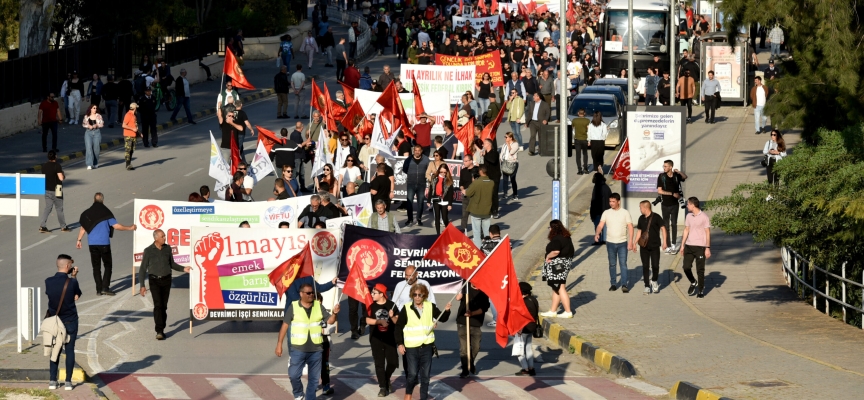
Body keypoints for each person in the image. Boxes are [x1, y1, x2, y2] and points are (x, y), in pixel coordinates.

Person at [275, 283, 340, 400]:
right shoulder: (293, 306)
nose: (311, 295)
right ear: (301, 294)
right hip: (298, 349)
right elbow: (285, 326)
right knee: (294, 375)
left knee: (314, 381)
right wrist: (279, 344)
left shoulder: (318, 306)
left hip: (316, 350)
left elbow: (330, 321)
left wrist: (335, 313)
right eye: (308, 293)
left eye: (312, 293)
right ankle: (299, 394)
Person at [395, 283, 451, 400]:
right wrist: (400, 344)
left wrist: (446, 311)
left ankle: (423, 398)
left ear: (424, 295)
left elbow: (443, 318)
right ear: (412, 295)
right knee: (412, 375)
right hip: (411, 348)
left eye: (420, 295)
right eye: (414, 294)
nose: (417, 297)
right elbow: (398, 327)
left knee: (425, 377)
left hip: (427, 347)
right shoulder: (406, 308)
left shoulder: (430, 306)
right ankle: (408, 394)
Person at [76, 193, 137, 295]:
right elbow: (116, 226)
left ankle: (99, 290)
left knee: (96, 267)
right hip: (104, 244)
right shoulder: (106, 212)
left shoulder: (87, 213)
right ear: (103, 201)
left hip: (92, 244)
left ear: (93, 200)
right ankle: (105, 287)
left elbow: (83, 228)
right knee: (108, 265)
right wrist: (130, 228)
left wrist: (79, 240)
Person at [138, 229, 193, 340]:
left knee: (163, 306)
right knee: (158, 305)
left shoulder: (168, 249)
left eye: (164, 236)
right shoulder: (148, 251)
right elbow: (143, 269)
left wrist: (184, 269)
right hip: (154, 281)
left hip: (166, 280)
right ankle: (159, 330)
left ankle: (161, 326)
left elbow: (172, 264)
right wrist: (142, 285)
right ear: (156, 238)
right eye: (162, 236)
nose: (165, 238)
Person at [44, 254, 81, 391]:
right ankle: (68, 382)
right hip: (70, 320)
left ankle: (53, 381)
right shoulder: (72, 282)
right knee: (70, 350)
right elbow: (76, 295)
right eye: (70, 265)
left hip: (54, 321)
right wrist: (74, 276)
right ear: (67, 266)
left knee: (55, 349)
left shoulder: (48, 281)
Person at [595, 193, 633, 292]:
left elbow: (630, 227)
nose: (611, 203)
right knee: (612, 264)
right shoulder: (606, 213)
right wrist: (597, 233)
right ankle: (613, 283)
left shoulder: (625, 213)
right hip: (610, 243)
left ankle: (624, 284)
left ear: (618, 202)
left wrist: (631, 241)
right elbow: (600, 225)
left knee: (623, 264)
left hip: (622, 243)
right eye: (610, 201)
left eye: (613, 202)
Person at [366, 283, 399, 396]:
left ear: (381, 294)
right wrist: (379, 321)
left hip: (390, 338)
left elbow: (397, 322)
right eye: (372, 292)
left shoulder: (392, 305)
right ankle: (383, 387)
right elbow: (367, 320)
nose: (372, 294)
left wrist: (392, 316)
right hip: (376, 338)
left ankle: (386, 377)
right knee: (379, 363)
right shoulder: (371, 305)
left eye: (374, 293)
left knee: (393, 362)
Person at [539, 219, 575, 318]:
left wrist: (548, 256)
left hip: (558, 266)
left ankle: (568, 312)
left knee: (560, 287)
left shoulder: (557, 239)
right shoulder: (566, 237)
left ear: (553, 229)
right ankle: (553, 310)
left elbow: (556, 251)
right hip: (565, 264)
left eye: (550, 228)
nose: (549, 230)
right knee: (556, 287)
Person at [455, 283, 489, 378]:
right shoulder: (465, 286)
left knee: (476, 347)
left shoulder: (483, 291)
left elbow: (484, 308)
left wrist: (472, 313)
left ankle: (471, 362)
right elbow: (457, 298)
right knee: (464, 349)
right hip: (463, 322)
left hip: (476, 323)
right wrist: (460, 293)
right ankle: (465, 369)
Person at [632, 201, 667, 295]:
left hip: (655, 246)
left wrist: (665, 242)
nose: (640, 209)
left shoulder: (656, 217)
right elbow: (639, 231)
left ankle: (654, 280)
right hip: (644, 247)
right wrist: (634, 243)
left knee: (655, 265)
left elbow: (663, 229)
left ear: (645, 208)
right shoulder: (641, 218)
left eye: (640, 208)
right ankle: (647, 286)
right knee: (645, 266)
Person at [680, 197, 711, 298]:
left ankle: (701, 290)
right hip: (689, 246)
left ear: (693, 205)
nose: (687, 206)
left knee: (700, 270)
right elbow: (686, 230)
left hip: (700, 247)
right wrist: (682, 245)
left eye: (688, 204)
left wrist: (707, 248)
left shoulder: (704, 217)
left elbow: (707, 232)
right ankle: (693, 281)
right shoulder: (688, 216)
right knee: (686, 267)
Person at [657, 160, 688, 254]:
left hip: (675, 204)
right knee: (666, 226)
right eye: (663, 166)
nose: (664, 168)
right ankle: (668, 245)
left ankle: (674, 244)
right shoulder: (661, 176)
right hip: (665, 204)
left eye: (665, 166)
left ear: (670, 167)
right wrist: (672, 194)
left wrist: (678, 172)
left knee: (674, 224)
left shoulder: (676, 176)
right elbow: (660, 191)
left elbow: (685, 177)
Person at [463, 165, 495, 247]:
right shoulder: (491, 182)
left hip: (476, 211)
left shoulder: (477, 182)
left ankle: (479, 250)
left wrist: (472, 183)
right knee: (487, 232)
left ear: (480, 172)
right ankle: (488, 248)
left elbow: (468, 193)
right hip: (487, 210)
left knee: (476, 233)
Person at [39, 151, 69, 233]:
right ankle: (63, 226)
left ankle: (42, 226)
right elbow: (61, 178)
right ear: (55, 156)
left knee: (48, 208)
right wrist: (63, 174)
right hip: (57, 189)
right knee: (59, 209)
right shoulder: (57, 166)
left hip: (47, 189)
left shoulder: (44, 166)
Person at [513, 282, 539, 376]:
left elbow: (523, 317)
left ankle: (525, 368)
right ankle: (531, 368)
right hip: (532, 327)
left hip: (524, 328)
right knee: (528, 348)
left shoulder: (523, 302)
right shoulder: (534, 300)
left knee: (519, 349)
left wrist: (520, 328)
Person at [402, 145, 431, 227]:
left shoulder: (426, 159)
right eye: (416, 150)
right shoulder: (408, 159)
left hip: (421, 184)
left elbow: (429, 169)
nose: (417, 152)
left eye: (419, 150)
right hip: (411, 183)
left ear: (421, 151)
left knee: (421, 202)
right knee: (409, 202)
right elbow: (404, 169)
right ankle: (410, 219)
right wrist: (412, 175)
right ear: (413, 151)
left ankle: (419, 219)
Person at [426, 163, 454, 235]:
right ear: (439, 171)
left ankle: (448, 231)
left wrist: (450, 204)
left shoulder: (449, 180)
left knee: (445, 218)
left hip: (445, 201)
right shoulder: (434, 178)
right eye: (441, 172)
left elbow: (451, 193)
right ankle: (438, 234)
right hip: (436, 199)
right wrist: (428, 200)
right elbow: (431, 189)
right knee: (437, 218)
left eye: (445, 172)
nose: (443, 173)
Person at [482, 139, 502, 218]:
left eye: (484, 144)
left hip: (494, 176)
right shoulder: (486, 154)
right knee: (487, 194)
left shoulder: (495, 153)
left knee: (494, 194)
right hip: (487, 176)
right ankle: (489, 210)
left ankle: (495, 211)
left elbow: (492, 160)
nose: (483, 145)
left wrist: (485, 155)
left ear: (488, 144)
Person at [82, 104, 104, 170]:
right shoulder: (86, 116)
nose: (95, 109)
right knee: (88, 148)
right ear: (90, 109)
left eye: (96, 108)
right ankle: (89, 164)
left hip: (96, 132)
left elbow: (101, 124)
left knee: (96, 149)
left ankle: (95, 163)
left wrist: (96, 125)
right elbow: (84, 124)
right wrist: (89, 126)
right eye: (94, 108)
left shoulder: (98, 116)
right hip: (88, 133)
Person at [501, 132, 520, 199]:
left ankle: (515, 194)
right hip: (505, 163)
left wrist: (508, 144)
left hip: (512, 163)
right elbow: (502, 152)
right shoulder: (504, 145)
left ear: (510, 138)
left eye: (506, 137)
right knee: (505, 179)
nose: (505, 138)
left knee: (512, 179)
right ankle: (505, 193)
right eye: (505, 137)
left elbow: (511, 152)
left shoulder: (515, 144)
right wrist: (501, 158)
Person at [572, 108, 590, 174]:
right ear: (584, 113)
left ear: (578, 113)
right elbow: (589, 130)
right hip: (584, 139)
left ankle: (579, 170)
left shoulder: (574, 120)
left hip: (577, 139)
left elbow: (572, 127)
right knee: (585, 154)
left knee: (578, 155)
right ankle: (585, 168)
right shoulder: (587, 120)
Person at [121, 103, 139, 170]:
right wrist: (132, 129)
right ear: (135, 108)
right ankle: (128, 164)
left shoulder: (134, 116)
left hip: (133, 135)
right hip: (128, 135)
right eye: (136, 108)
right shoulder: (128, 115)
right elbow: (123, 125)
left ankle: (129, 163)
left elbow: (135, 127)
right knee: (128, 150)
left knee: (131, 150)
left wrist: (139, 133)